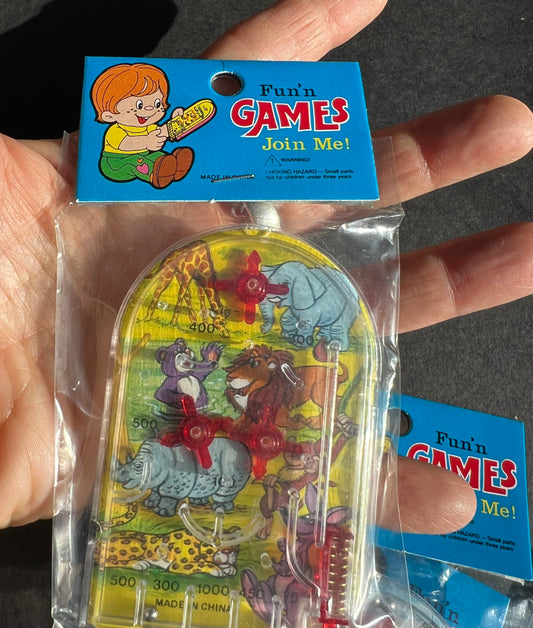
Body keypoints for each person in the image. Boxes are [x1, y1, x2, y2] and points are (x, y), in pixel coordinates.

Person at [0, 0, 531, 539]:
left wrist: (190, 121)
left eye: (152, 105)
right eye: (140, 106)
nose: (147, 111)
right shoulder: (120, 142)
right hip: (137, 180)